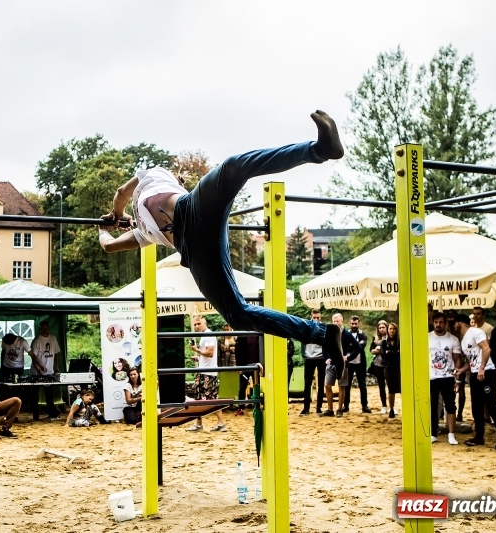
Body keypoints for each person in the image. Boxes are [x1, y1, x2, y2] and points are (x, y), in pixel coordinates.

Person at [97, 111, 345, 371]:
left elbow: (120, 193)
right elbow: (109, 245)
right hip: (194, 250)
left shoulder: (155, 175)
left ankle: (318, 150)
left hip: (193, 209)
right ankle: (322, 334)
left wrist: (115, 215)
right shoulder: (144, 235)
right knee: (236, 314)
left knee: (233, 167)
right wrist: (103, 230)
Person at [455, 314, 496, 450]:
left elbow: (486, 349)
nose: (453, 325)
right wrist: (462, 370)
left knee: (490, 404)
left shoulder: (475, 332)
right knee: (476, 406)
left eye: (454, 323)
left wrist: (482, 368)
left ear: (460, 322)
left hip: (487, 372)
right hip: (474, 373)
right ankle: (479, 436)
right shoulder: (463, 339)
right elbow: (471, 360)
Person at [186, 315, 227, 432]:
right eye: (195, 324)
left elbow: (210, 353)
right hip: (207, 370)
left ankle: (200, 424)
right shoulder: (207, 335)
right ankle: (219, 423)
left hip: (206, 373)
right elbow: (208, 356)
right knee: (210, 398)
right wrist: (199, 358)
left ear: (205, 323)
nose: (197, 326)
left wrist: (196, 350)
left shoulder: (207, 334)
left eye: (199, 323)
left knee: (202, 397)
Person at [429, 312, 462, 445]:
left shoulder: (453, 339)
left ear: (446, 323)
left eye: (441, 322)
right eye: (436, 322)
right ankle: (433, 433)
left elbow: (457, 360)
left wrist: (458, 379)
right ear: (433, 323)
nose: (438, 325)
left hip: (448, 376)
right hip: (432, 377)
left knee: (450, 405)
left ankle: (451, 434)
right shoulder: (427, 338)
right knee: (432, 405)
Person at [28, 321, 61, 421]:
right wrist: (38, 370)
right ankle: (36, 416)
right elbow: (33, 357)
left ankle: (52, 413)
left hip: (49, 371)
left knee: (49, 394)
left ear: (49, 328)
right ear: (40, 328)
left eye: (47, 328)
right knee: (35, 395)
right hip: (36, 373)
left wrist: (56, 367)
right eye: (43, 328)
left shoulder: (53, 338)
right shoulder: (37, 340)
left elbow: (56, 354)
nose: (45, 330)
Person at [299, 309, 326, 416]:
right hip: (309, 358)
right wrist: (304, 355)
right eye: (314, 317)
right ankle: (306, 408)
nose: (316, 319)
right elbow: (302, 341)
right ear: (310, 316)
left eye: (318, 317)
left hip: (321, 358)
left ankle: (319, 407)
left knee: (321, 384)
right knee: (307, 384)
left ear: (320, 317)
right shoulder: (306, 327)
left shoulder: (323, 327)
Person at [343, 315, 370, 413]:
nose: (354, 325)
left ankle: (365, 406)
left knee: (362, 385)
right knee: (347, 385)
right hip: (349, 363)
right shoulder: (346, 334)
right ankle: (345, 406)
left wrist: (352, 347)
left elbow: (361, 347)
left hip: (360, 362)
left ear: (359, 324)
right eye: (352, 323)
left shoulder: (363, 334)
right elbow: (347, 347)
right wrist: (356, 346)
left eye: (356, 323)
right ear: (349, 323)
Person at [234, 331, 260, 416]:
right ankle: (240, 407)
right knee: (242, 386)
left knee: (259, 386)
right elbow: (237, 351)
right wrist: (239, 366)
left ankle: (258, 404)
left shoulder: (259, 334)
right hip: (245, 366)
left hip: (257, 366)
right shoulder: (242, 335)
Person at [381, 322, 401, 419]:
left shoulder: (400, 342)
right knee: (391, 390)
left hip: (398, 367)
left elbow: (400, 355)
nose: (392, 331)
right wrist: (395, 353)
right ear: (388, 330)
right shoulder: (384, 342)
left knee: (402, 389)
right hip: (388, 368)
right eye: (390, 329)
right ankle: (391, 408)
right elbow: (383, 355)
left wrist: (390, 353)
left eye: (394, 329)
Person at [369, 320, 389, 415]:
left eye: (383, 327)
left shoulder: (390, 338)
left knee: (391, 386)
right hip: (377, 364)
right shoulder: (375, 338)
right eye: (379, 328)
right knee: (381, 386)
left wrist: (379, 350)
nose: (381, 329)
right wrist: (378, 350)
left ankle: (392, 406)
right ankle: (384, 405)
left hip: (388, 364)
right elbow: (371, 350)